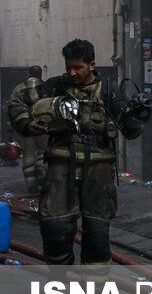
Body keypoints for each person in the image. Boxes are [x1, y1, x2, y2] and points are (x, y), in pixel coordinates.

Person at [8, 40, 145, 273]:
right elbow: (18, 100)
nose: (72, 72)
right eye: (69, 67)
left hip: (98, 170)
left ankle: (94, 293)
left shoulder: (109, 91)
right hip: (61, 166)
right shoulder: (56, 86)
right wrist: (27, 123)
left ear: (91, 65)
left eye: (78, 68)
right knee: (56, 228)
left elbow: (131, 131)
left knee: (97, 233)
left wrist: (139, 115)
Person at [6, 65, 47, 194]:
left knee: (29, 155)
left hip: (27, 128)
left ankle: (31, 185)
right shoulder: (46, 87)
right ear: (40, 74)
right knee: (43, 152)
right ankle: (42, 176)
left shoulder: (18, 89)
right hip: (43, 127)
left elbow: (13, 107)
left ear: (28, 73)